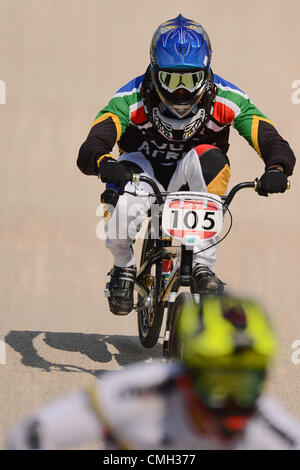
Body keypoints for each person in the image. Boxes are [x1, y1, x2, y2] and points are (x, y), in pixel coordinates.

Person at [77, 14, 295, 316]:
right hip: (142, 167)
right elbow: (94, 142)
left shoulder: (229, 98)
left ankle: (204, 267)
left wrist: (278, 168)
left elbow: (270, 138)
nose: (181, 92)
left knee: (215, 163)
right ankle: (122, 266)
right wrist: (103, 161)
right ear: (154, 73)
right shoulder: (130, 97)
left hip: (193, 171)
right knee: (124, 203)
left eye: (191, 79)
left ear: (206, 74)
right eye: (171, 79)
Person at [7, 294, 300, 450]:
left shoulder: (273, 430)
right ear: (188, 374)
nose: (234, 398)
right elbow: (32, 435)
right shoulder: (134, 393)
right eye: (219, 381)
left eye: (249, 380)